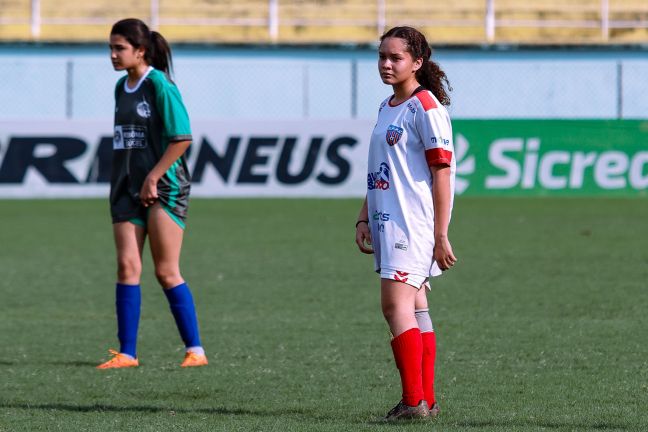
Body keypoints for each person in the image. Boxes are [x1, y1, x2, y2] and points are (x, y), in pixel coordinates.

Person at [355, 26, 457, 420]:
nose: (385, 63)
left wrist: (441, 233)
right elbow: (382, 168)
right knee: (415, 305)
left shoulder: (427, 108)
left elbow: (442, 173)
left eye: (395, 57)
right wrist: (364, 215)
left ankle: (413, 400)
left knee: (393, 305)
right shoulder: (387, 106)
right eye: (382, 56)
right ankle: (425, 400)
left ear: (417, 62)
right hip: (387, 219)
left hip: (412, 222)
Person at [97, 18, 207, 369]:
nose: (113, 54)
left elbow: (182, 138)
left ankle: (195, 351)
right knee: (127, 266)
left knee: (165, 271)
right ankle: (127, 353)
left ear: (140, 50)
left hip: (165, 188)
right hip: (126, 188)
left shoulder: (159, 85)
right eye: (111, 48)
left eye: (120, 48)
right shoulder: (120, 87)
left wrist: (153, 177)